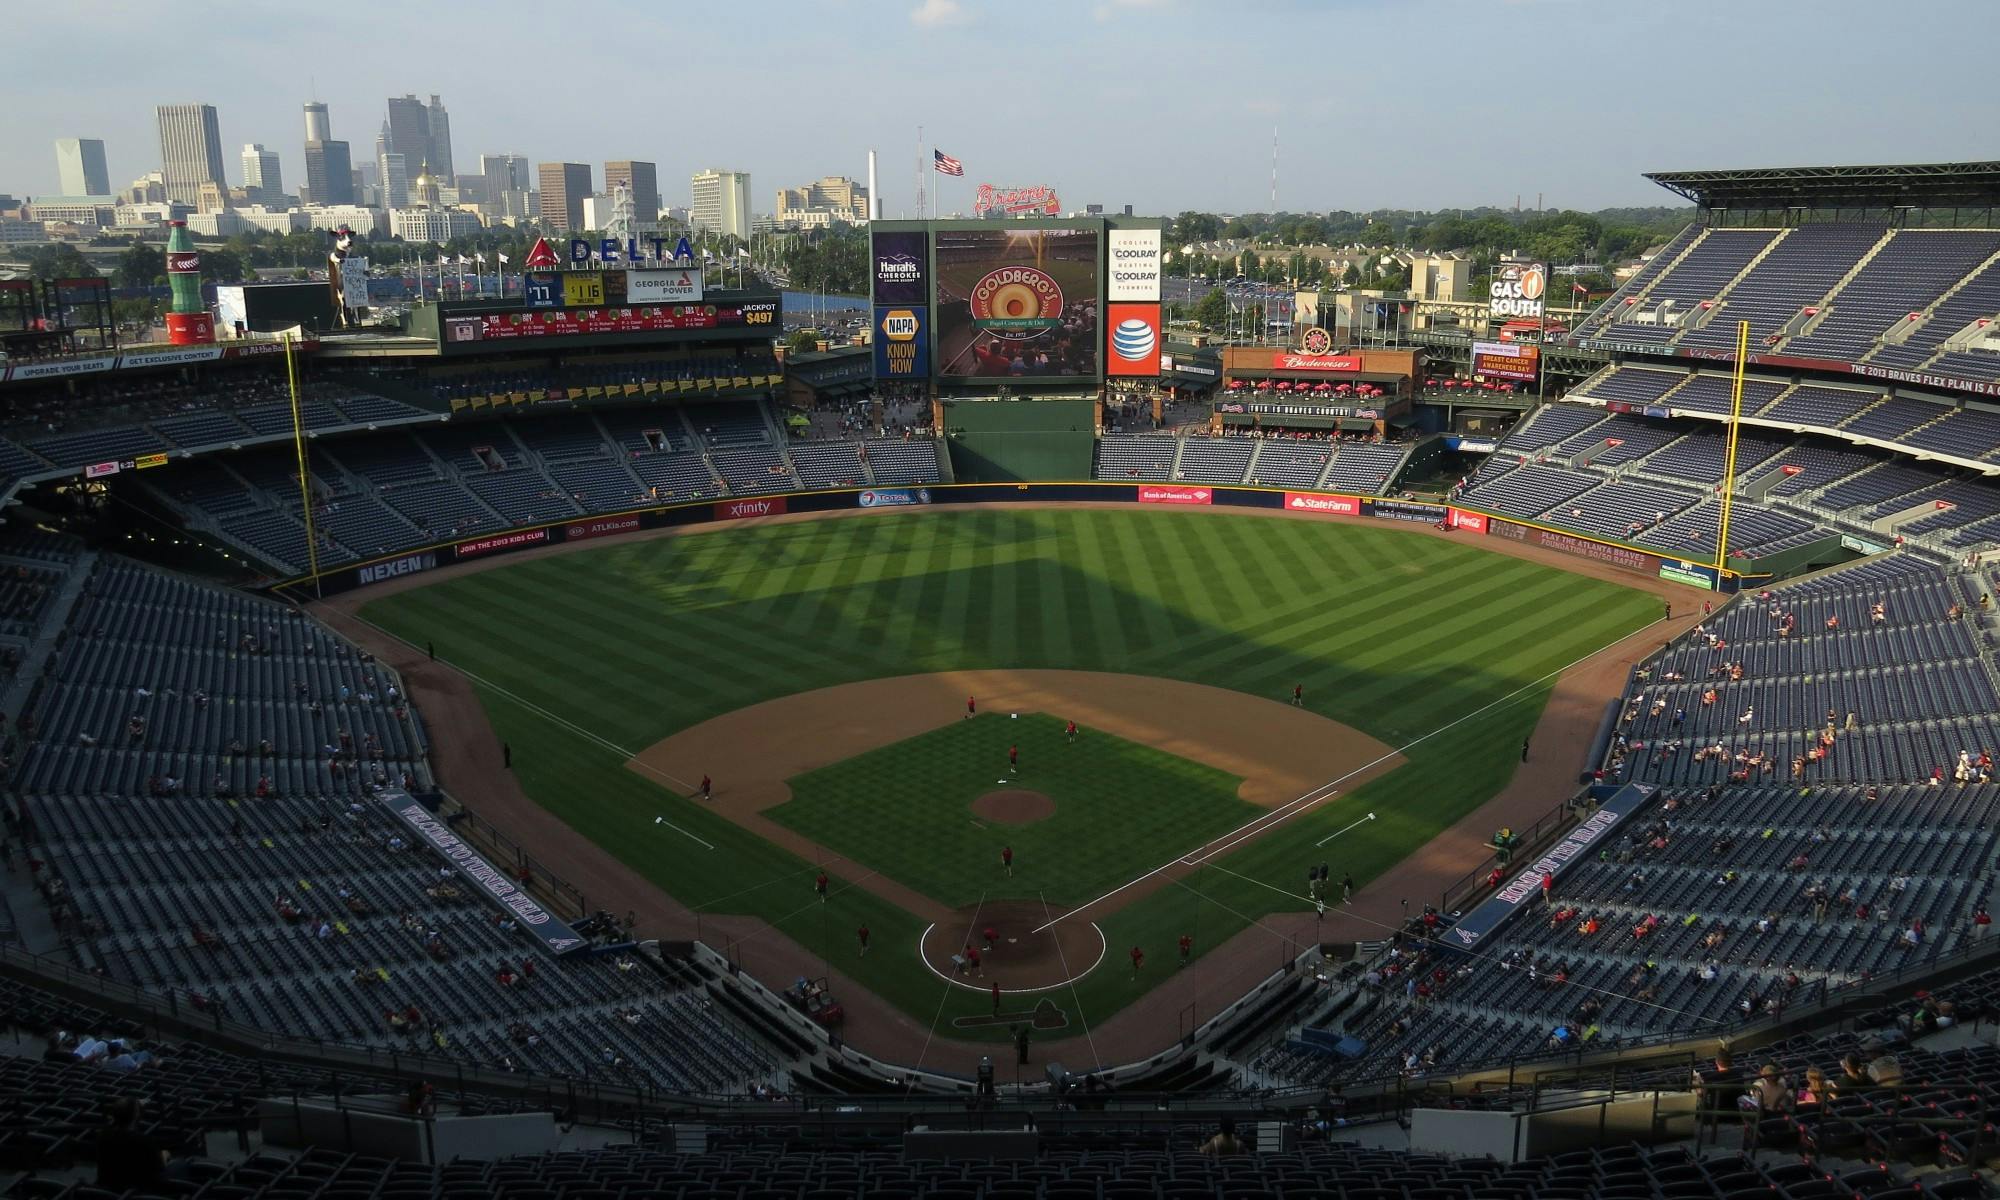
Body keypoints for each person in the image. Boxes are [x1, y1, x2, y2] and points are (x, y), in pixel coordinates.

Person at [95, 1099, 170, 1192]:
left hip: (109, 1186)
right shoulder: (143, 1140)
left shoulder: (103, 1136)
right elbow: (159, 1168)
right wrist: (164, 1155)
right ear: (136, 1116)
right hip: (140, 1187)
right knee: (179, 1164)